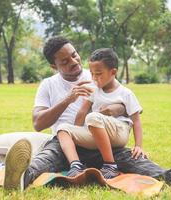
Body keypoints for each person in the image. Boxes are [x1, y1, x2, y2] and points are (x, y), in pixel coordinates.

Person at [3, 36, 171, 191]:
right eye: (65, 61)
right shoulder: (48, 85)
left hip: (102, 141)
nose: (74, 62)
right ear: (54, 66)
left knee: (135, 161)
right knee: (46, 157)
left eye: (74, 55)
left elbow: (124, 101)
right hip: (66, 145)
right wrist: (68, 99)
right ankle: (20, 178)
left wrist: (116, 109)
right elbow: (37, 123)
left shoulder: (98, 73)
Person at [57, 48, 144, 179]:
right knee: (62, 128)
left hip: (119, 132)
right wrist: (77, 134)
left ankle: (110, 165)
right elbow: (82, 112)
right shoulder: (94, 90)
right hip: (97, 132)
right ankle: (76, 165)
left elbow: (136, 121)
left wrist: (138, 146)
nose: (94, 78)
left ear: (113, 72)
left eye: (98, 74)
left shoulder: (126, 93)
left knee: (92, 117)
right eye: (91, 73)